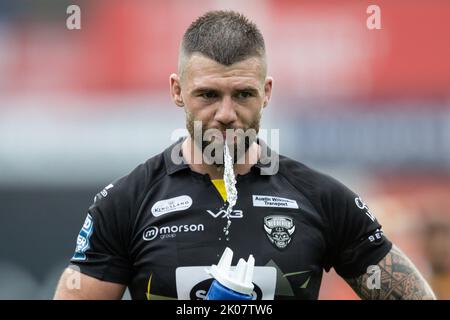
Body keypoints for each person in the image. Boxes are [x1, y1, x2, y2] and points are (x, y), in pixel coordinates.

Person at [54, 10, 435, 300]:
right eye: (207, 95)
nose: (225, 114)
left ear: (266, 92)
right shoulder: (126, 203)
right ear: (176, 90)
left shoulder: (322, 199)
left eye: (243, 95)